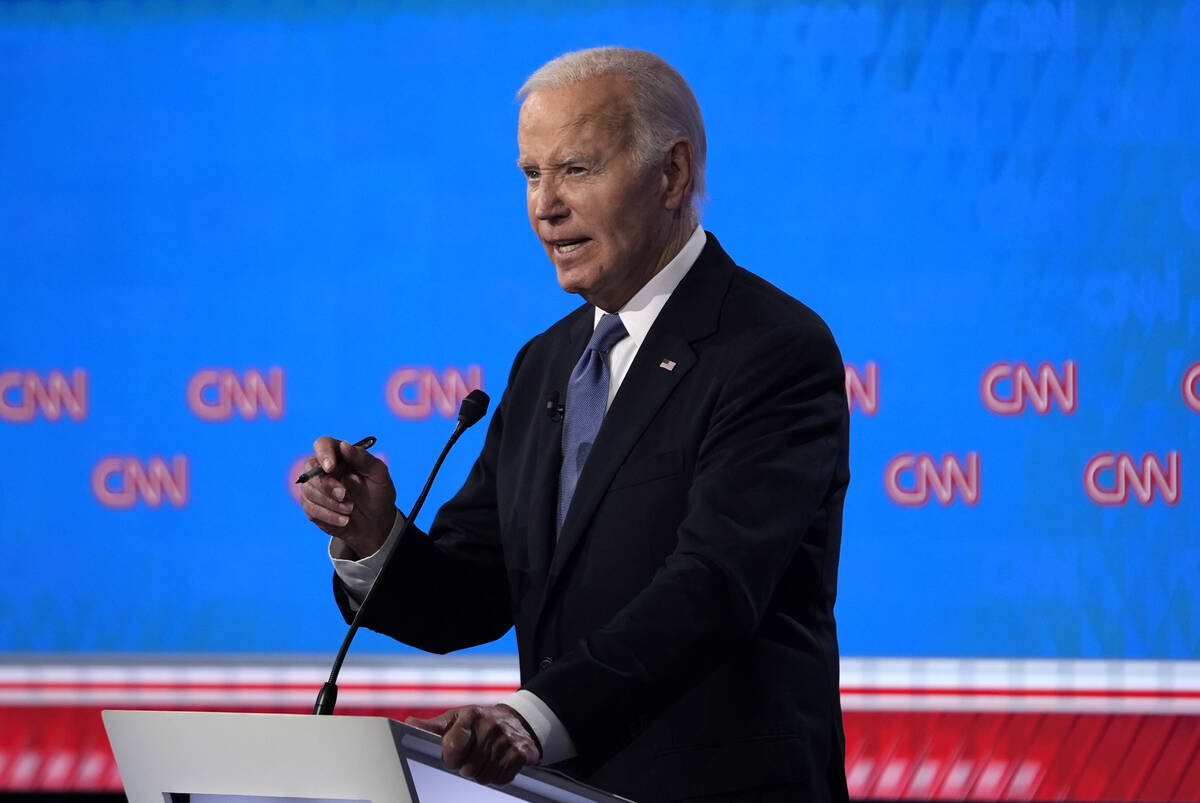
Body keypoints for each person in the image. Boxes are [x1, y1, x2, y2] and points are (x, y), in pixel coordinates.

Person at [300, 47, 850, 803]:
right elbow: (473, 590)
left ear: (674, 173)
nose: (544, 205)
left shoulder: (770, 348)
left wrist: (532, 718)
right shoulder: (545, 362)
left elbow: (714, 584)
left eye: (577, 170)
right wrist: (372, 535)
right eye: (531, 174)